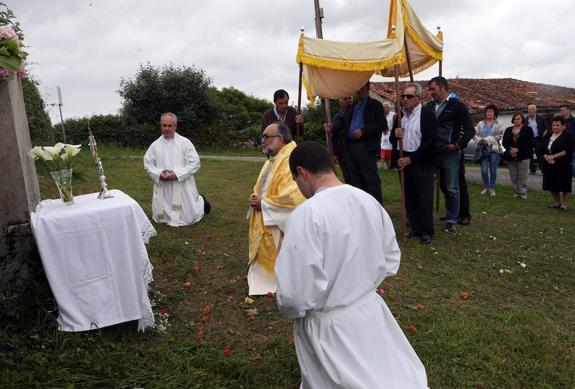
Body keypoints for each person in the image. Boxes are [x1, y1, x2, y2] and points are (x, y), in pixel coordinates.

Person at [275, 141, 427, 389]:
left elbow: (294, 294)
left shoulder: (306, 215)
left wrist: (292, 308)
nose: (298, 188)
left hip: (329, 326)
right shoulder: (368, 201)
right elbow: (390, 260)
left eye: (295, 180)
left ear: (301, 173)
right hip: (369, 310)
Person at [247, 121, 305, 295]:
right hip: (265, 213)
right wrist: (256, 197)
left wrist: (263, 203)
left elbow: (294, 197)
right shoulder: (274, 159)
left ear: (280, 139)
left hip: (275, 221)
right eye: (262, 137)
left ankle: (274, 278)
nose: (262, 140)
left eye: (266, 137)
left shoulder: (290, 160)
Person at [324, 81, 386, 204]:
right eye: (357, 88)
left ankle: (376, 207)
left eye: (361, 88)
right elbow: (342, 123)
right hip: (350, 148)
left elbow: (382, 124)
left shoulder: (375, 105)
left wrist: (364, 131)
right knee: (354, 180)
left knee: (370, 179)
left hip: (366, 147)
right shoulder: (351, 107)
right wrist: (333, 127)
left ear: (367, 88)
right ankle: (360, 206)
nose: (358, 91)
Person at [390, 83, 437, 245]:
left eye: (408, 97)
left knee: (423, 197)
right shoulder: (399, 116)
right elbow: (391, 140)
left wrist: (412, 159)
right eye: (403, 96)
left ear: (418, 98)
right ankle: (415, 227)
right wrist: (395, 135)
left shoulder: (427, 115)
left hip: (420, 160)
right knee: (409, 196)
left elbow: (430, 142)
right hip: (403, 159)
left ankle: (426, 230)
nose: (404, 99)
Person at [426, 76, 474, 233]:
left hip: (449, 152)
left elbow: (469, 130)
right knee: (438, 186)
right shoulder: (428, 107)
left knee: (452, 186)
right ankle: (444, 214)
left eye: (433, 89)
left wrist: (458, 145)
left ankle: (452, 219)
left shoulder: (457, 106)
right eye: (429, 89)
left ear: (443, 87)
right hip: (432, 152)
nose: (430, 92)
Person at [144, 112, 210, 227]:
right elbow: (148, 163)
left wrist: (177, 174)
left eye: (170, 126)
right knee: (159, 219)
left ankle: (201, 202)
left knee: (188, 218)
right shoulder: (155, 145)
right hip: (163, 187)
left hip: (182, 186)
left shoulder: (185, 143)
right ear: (161, 126)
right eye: (164, 125)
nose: (167, 128)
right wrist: (159, 174)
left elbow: (195, 163)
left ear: (175, 126)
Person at [541, 116, 574, 210]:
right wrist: (546, 157)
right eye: (553, 125)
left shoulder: (568, 136)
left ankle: (564, 204)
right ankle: (557, 202)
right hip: (549, 163)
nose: (555, 127)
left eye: (558, 125)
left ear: (564, 126)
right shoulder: (548, 135)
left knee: (563, 184)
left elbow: (568, 150)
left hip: (562, 164)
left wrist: (553, 156)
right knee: (550, 183)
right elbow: (542, 149)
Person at [502, 112, 534, 199]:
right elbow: (504, 142)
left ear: (522, 119)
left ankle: (523, 193)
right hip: (511, 155)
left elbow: (530, 143)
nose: (516, 120)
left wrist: (518, 150)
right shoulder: (508, 129)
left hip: (524, 155)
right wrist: (511, 149)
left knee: (523, 175)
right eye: (515, 119)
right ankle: (516, 192)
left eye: (518, 119)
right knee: (514, 175)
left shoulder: (528, 129)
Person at [474, 104, 503, 196]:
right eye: (487, 111)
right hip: (483, 149)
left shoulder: (499, 124)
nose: (489, 113)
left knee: (493, 170)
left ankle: (492, 188)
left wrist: (488, 139)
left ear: (494, 113)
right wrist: (480, 140)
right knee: (484, 170)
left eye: (491, 111)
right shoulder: (480, 124)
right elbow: (475, 135)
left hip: (494, 149)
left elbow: (500, 135)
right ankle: (486, 187)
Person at [330, 96, 352, 182]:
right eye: (346, 99)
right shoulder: (336, 117)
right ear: (340, 101)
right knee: (346, 175)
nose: (349, 101)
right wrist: (334, 153)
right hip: (341, 151)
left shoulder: (354, 115)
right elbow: (333, 136)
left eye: (350, 98)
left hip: (352, 150)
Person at [526, 104, 547, 175]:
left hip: (538, 139)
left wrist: (544, 138)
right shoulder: (526, 119)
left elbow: (546, 129)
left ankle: (543, 170)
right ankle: (532, 170)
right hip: (529, 139)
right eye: (529, 109)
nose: (530, 111)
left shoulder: (541, 118)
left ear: (535, 110)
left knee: (540, 154)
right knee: (530, 154)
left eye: (532, 109)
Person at [379, 102, 395, 169]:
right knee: (383, 149)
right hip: (383, 134)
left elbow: (394, 125)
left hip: (390, 133)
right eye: (384, 107)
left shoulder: (393, 115)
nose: (385, 109)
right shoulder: (381, 115)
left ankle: (389, 166)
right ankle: (382, 166)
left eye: (386, 107)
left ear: (390, 108)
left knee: (388, 151)